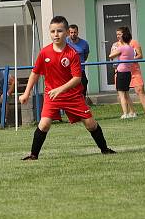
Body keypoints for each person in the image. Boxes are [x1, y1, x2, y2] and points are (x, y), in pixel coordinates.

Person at [18, 15, 116, 160]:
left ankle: (104, 149)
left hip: (73, 95)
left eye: (59, 31)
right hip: (52, 95)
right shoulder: (44, 52)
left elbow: (77, 78)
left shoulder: (72, 53)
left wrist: (60, 89)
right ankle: (33, 155)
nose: (55, 34)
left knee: (90, 124)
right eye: (52, 31)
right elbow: (35, 73)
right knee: (44, 125)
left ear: (66, 33)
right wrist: (26, 93)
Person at [109, 27, 137, 119]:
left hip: (121, 72)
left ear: (124, 36)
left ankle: (125, 113)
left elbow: (111, 56)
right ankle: (133, 112)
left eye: (119, 34)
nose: (118, 36)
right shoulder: (130, 48)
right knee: (127, 94)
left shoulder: (122, 48)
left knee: (121, 95)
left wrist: (115, 51)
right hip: (128, 72)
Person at [65, 24, 91, 105]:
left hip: (80, 70)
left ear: (78, 32)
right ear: (68, 33)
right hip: (68, 71)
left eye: (75, 32)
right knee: (70, 89)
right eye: (71, 32)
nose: (73, 34)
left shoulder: (84, 43)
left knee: (84, 84)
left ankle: (82, 104)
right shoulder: (65, 42)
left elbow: (86, 55)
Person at [127, 34, 145, 116]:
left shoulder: (134, 42)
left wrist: (131, 59)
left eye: (120, 34)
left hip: (135, 70)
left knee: (140, 89)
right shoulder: (117, 44)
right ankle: (131, 112)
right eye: (117, 34)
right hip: (123, 71)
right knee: (124, 92)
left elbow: (140, 55)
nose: (118, 36)